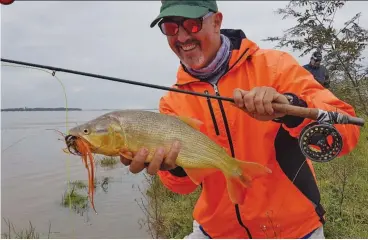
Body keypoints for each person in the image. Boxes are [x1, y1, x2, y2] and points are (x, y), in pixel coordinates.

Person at [120, 1, 360, 238]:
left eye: (192, 25)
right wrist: (175, 168)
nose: (182, 37)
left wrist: (292, 107)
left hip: (295, 231)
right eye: (171, 28)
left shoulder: (276, 66)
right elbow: (181, 187)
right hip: (215, 232)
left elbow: (348, 133)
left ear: (217, 22)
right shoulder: (172, 101)